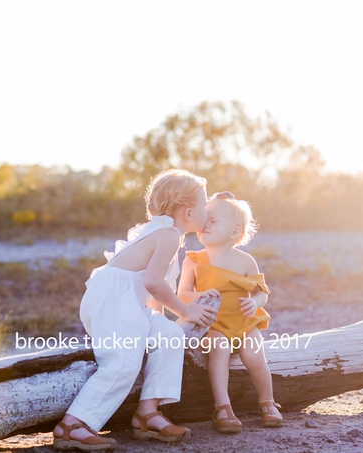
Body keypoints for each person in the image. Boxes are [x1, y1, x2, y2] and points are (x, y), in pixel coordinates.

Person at [53, 169, 219, 451]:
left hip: (128, 300)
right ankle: (73, 425)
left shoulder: (165, 232)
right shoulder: (167, 234)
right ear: (189, 213)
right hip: (113, 299)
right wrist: (187, 311)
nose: (208, 211)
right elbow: (153, 284)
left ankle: (148, 413)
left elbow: (153, 293)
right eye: (204, 205)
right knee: (122, 360)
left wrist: (163, 321)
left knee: (169, 335)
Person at [177, 191, 282, 434]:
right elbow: (182, 294)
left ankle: (268, 402)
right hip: (212, 323)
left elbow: (261, 293)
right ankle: (222, 407)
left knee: (256, 357)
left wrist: (255, 303)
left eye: (213, 221)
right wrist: (200, 296)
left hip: (243, 322)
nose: (205, 224)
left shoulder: (245, 261)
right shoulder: (194, 260)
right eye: (205, 220)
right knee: (219, 352)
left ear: (235, 232)